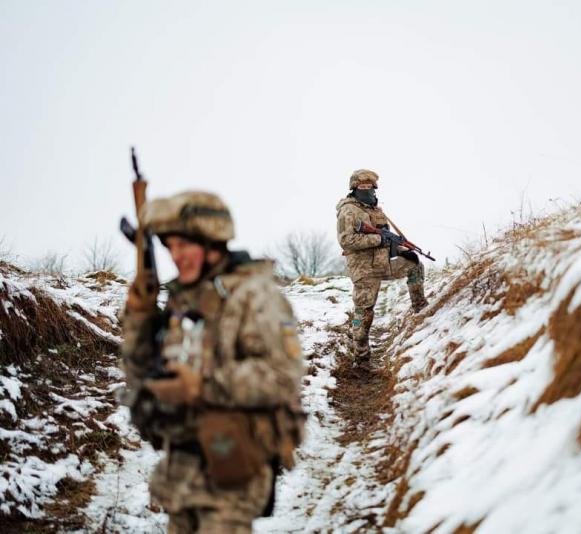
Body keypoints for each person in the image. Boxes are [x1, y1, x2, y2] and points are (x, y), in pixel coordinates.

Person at [120, 191, 305, 534]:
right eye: (170, 246)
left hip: (233, 468)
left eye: (184, 245)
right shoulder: (183, 299)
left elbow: (283, 377)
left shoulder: (254, 296)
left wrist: (203, 385)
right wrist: (139, 314)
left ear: (212, 243)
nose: (176, 256)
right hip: (182, 472)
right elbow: (139, 372)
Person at [336, 169, 429, 365]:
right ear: (354, 188)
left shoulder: (375, 210)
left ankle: (420, 309)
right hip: (364, 270)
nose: (367, 189)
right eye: (362, 186)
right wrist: (378, 239)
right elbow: (346, 241)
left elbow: (385, 237)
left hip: (382, 263)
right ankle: (361, 359)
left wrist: (401, 249)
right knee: (363, 313)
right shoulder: (349, 210)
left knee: (414, 265)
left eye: (370, 186)